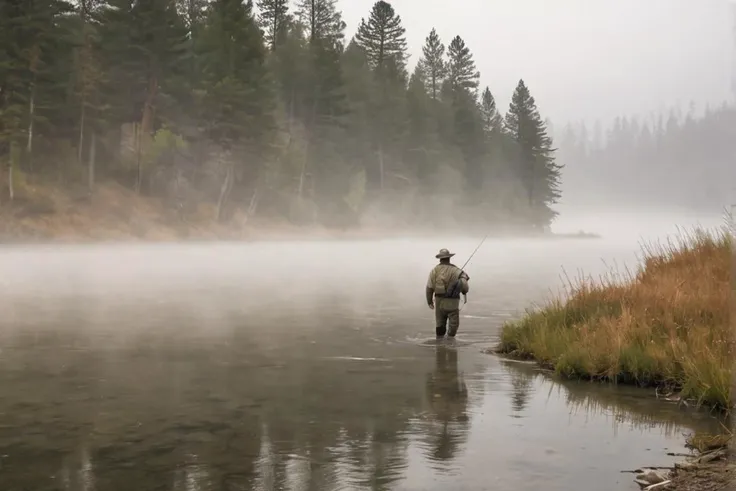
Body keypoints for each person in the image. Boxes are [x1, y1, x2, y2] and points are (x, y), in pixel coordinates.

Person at [425, 248, 470, 338]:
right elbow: (464, 285)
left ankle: (440, 344)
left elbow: (429, 287)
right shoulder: (456, 270)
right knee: (453, 325)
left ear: (440, 259)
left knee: (439, 324)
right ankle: (450, 342)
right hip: (452, 302)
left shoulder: (434, 271)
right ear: (449, 258)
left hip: (439, 301)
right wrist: (464, 291)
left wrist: (429, 301)